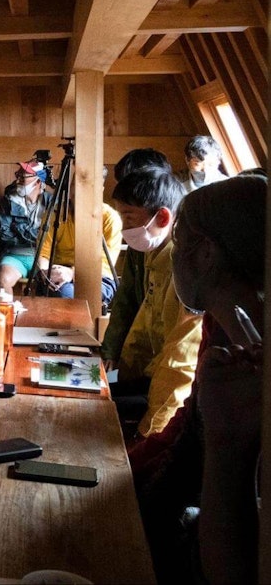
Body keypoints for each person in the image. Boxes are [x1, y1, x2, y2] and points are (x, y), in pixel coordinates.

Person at [133, 174, 265, 584]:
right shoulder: (217, 325)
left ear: (206, 254)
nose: (171, 258)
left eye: (177, 244)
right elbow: (188, 429)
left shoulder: (249, 360)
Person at [107, 167, 201, 438]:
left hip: (172, 403)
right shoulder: (156, 253)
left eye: (129, 219)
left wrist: (150, 432)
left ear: (162, 217)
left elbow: (180, 364)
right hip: (148, 380)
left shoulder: (184, 269)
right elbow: (144, 327)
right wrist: (121, 373)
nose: (124, 230)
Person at [101, 151, 173, 364]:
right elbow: (127, 298)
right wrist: (110, 352)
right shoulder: (141, 235)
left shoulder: (177, 248)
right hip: (142, 353)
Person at [36, 195, 122, 304]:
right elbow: (43, 252)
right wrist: (47, 274)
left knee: (69, 295)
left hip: (98, 277)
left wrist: (72, 273)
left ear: (100, 189)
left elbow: (105, 264)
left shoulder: (109, 217)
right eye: (74, 185)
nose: (77, 190)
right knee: (57, 290)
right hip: (59, 271)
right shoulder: (56, 213)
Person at [0, 158, 52, 292]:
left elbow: (50, 237)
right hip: (14, 255)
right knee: (3, 279)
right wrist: (35, 235)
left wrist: (19, 230)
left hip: (42, 256)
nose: (18, 180)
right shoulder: (9, 201)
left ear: (38, 181)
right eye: (17, 175)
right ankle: (6, 312)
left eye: (22, 177)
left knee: (48, 283)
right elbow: (5, 235)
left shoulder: (50, 203)